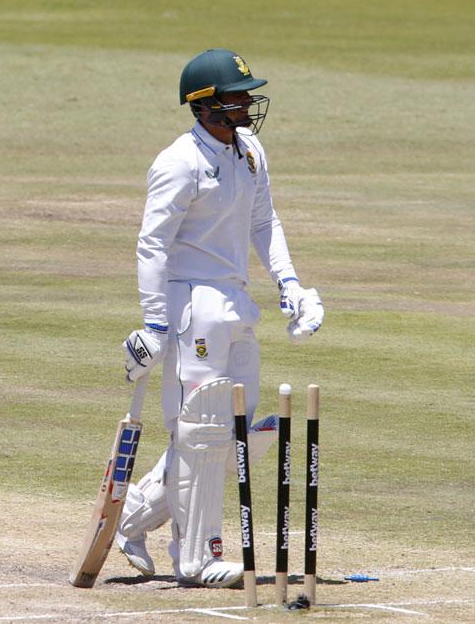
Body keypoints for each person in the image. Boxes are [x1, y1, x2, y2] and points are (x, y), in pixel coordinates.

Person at [114, 48, 324, 587]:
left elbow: (264, 220)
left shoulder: (249, 150)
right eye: (236, 96)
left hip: (236, 301)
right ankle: (196, 559)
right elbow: (151, 244)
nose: (248, 103)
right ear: (204, 105)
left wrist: (291, 285)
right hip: (192, 307)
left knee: (241, 433)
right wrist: (155, 323)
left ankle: (132, 518)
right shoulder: (178, 162)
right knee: (203, 430)